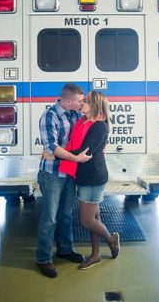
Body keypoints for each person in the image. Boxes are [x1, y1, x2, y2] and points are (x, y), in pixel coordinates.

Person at [58, 90, 120, 270]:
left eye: (86, 100)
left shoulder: (99, 126)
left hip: (94, 177)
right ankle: (96, 254)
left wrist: (57, 155)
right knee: (95, 216)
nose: (82, 102)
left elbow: (85, 151)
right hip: (84, 175)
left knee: (86, 221)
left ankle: (111, 240)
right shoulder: (83, 122)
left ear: (94, 105)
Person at [36, 83, 92, 278]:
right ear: (68, 101)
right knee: (50, 218)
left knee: (66, 215)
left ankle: (65, 249)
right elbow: (51, 146)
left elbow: (86, 131)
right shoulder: (49, 116)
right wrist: (74, 157)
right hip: (51, 174)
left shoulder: (76, 115)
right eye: (80, 100)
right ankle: (43, 259)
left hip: (69, 172)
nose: (82, 102)